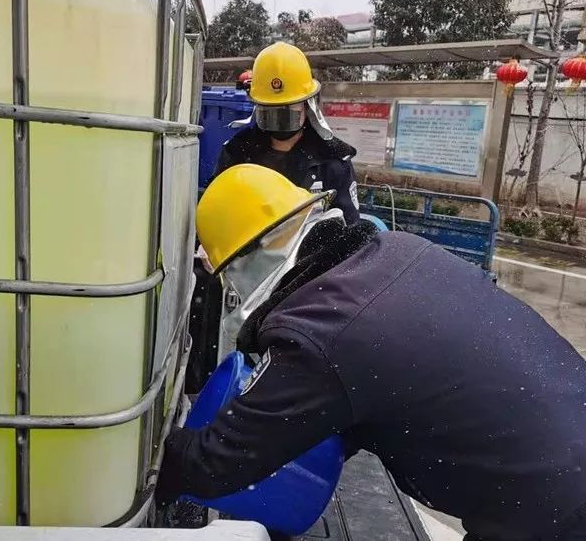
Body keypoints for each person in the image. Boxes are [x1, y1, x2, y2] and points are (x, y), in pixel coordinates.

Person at [158, 164, 586, 541]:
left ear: (251, 260)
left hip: (553, 509)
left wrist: (158, 460)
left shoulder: (320, 331)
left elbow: (213, 464)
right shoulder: (396, 249)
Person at [214, 41, 360, 225]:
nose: (278, 123)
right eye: (269, 114)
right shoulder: (237, 153)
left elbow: (349, 229)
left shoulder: (332, 161)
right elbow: (217, 212)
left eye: (287, 114)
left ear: (307, 106)